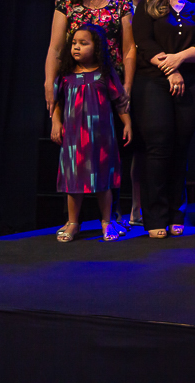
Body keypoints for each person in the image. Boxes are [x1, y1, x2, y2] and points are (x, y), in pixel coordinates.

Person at [46, 0, 135, 234]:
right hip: (75, 87)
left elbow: (129, 48)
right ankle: (74, 220)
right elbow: (56, 48)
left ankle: (112, 218)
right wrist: (50, 84)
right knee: (77, 159)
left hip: (108, 85)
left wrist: (127, 88)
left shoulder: (121, 4)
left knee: (107, 157)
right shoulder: (66, 4)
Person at [132, 0, 195, 239]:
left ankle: (177, 213)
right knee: (158, 147)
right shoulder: (147, 8)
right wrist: (170, 69)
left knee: (180, 147)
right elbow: (145, 43)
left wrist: (180, 58)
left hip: (191, 83)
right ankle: (155, 216)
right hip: (154, 83)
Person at [51, 25, 131, 242]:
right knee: (73, 182)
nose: (76, 47)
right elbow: (57, 102)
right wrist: (56, 123)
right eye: (74, 43)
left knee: (102, 180)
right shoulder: (66, 75)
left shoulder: (104, 73)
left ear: (96, 48)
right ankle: (74, 223)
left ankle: (106, 221)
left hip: (100, 138)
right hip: (74, 139)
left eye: (83, 43)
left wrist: (127, 123)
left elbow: (120, 101)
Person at [120, 0, 152, 227]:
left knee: (143, 146)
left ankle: (138, 206)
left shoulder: (156, 5)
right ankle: (119, 207)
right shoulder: (120, 6)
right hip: (119, 79)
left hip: (148, 78)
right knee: (120, 146)